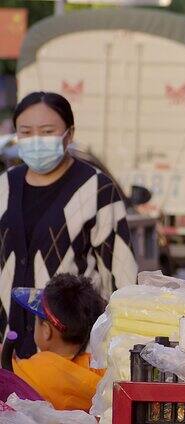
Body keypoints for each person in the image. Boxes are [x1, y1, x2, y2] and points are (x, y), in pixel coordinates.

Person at [2, 92, 137, 358]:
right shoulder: (4, 186)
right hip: (10, 353)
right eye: (26, 132)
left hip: (74, 356)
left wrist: (116, 348)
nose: (36, 140)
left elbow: (122, 276)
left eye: (47, 131)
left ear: (69, 133)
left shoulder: (97, 189)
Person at [11, 274, 106, 411]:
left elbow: (11, 375)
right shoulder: (97, 372)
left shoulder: (32, 371)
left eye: (37, 321)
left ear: (46, 331)